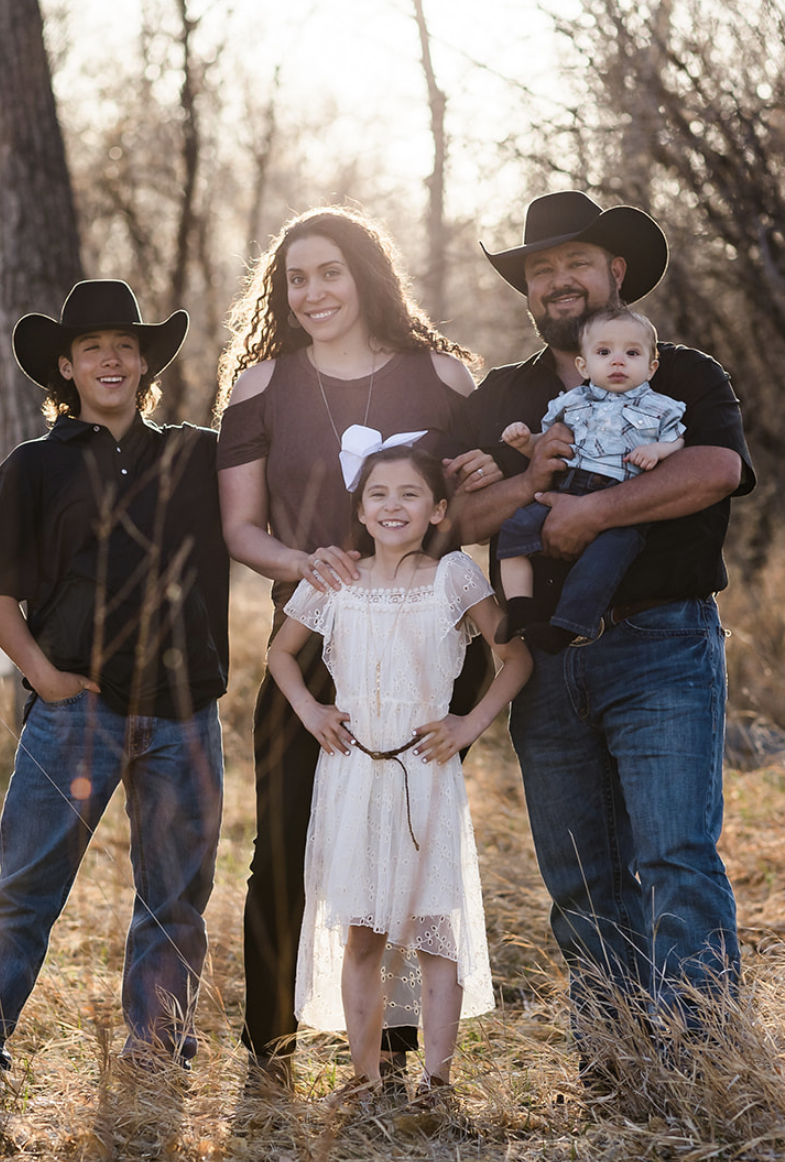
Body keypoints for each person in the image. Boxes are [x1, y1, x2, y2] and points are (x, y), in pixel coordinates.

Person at [450, 192, 756, 1076]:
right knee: (581, 879)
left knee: (673, 859)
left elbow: (715, 469)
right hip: (540, 659)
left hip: (661, 643)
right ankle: (616, 1061)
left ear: (614, 273)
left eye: (574, 263)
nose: (557, 281)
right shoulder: (504, 395)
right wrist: (526, 483)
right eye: (540, 270)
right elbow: (446, 510)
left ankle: (704, 1064)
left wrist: (592, 517)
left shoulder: (680, 370)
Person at [215, 206, 502, 1093]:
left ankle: (403, 1058)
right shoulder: (261, 385)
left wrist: (496, 469)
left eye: (329, 272)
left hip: (428, 639)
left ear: (367, 275)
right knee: (287, 844)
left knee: (412, 846)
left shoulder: (445, 376)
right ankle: (272, 1045)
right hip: (317, 637)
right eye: (295, 279)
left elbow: (481, 502)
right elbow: (239, 527)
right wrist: (310, 564)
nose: (312, 293)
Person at [0, 279, 229, 1076]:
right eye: (93, 347)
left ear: (144, 364)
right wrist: (45, 676)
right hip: (75, 715)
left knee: (175, 898)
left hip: (185, 711)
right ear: (64, 368)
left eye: (125, 346)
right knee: (26, 886)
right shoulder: (33, 468)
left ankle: (156, 1051)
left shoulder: (194, 455)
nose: (111, 358)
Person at [266, 446, 531, 1109]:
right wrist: (311, 709)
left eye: (410, 494)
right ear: (360, 509)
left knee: (434, 928)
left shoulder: (453, 577)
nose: (393, 506)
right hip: (352, 773)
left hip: (425, 771)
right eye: (378, 494)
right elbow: (280, 654)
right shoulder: (336, 578)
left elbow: (516, 658)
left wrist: (468, 725)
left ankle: (437, 1083)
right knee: (362, 930)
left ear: (437, 509)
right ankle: (366, 1079)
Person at [495, 305, 686, 653]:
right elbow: (546, 446)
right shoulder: (571, 403)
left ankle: (567, 627)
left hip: (622, 502)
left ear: (651, 367)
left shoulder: (660, 407)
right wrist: (526, 443)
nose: (617, 361)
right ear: (583, 365)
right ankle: (520, 606)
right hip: (567, 489)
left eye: (631, 353)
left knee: (602, 562)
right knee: (514, 530)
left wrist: (658, 451)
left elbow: (678, 440)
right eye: (603, 352)